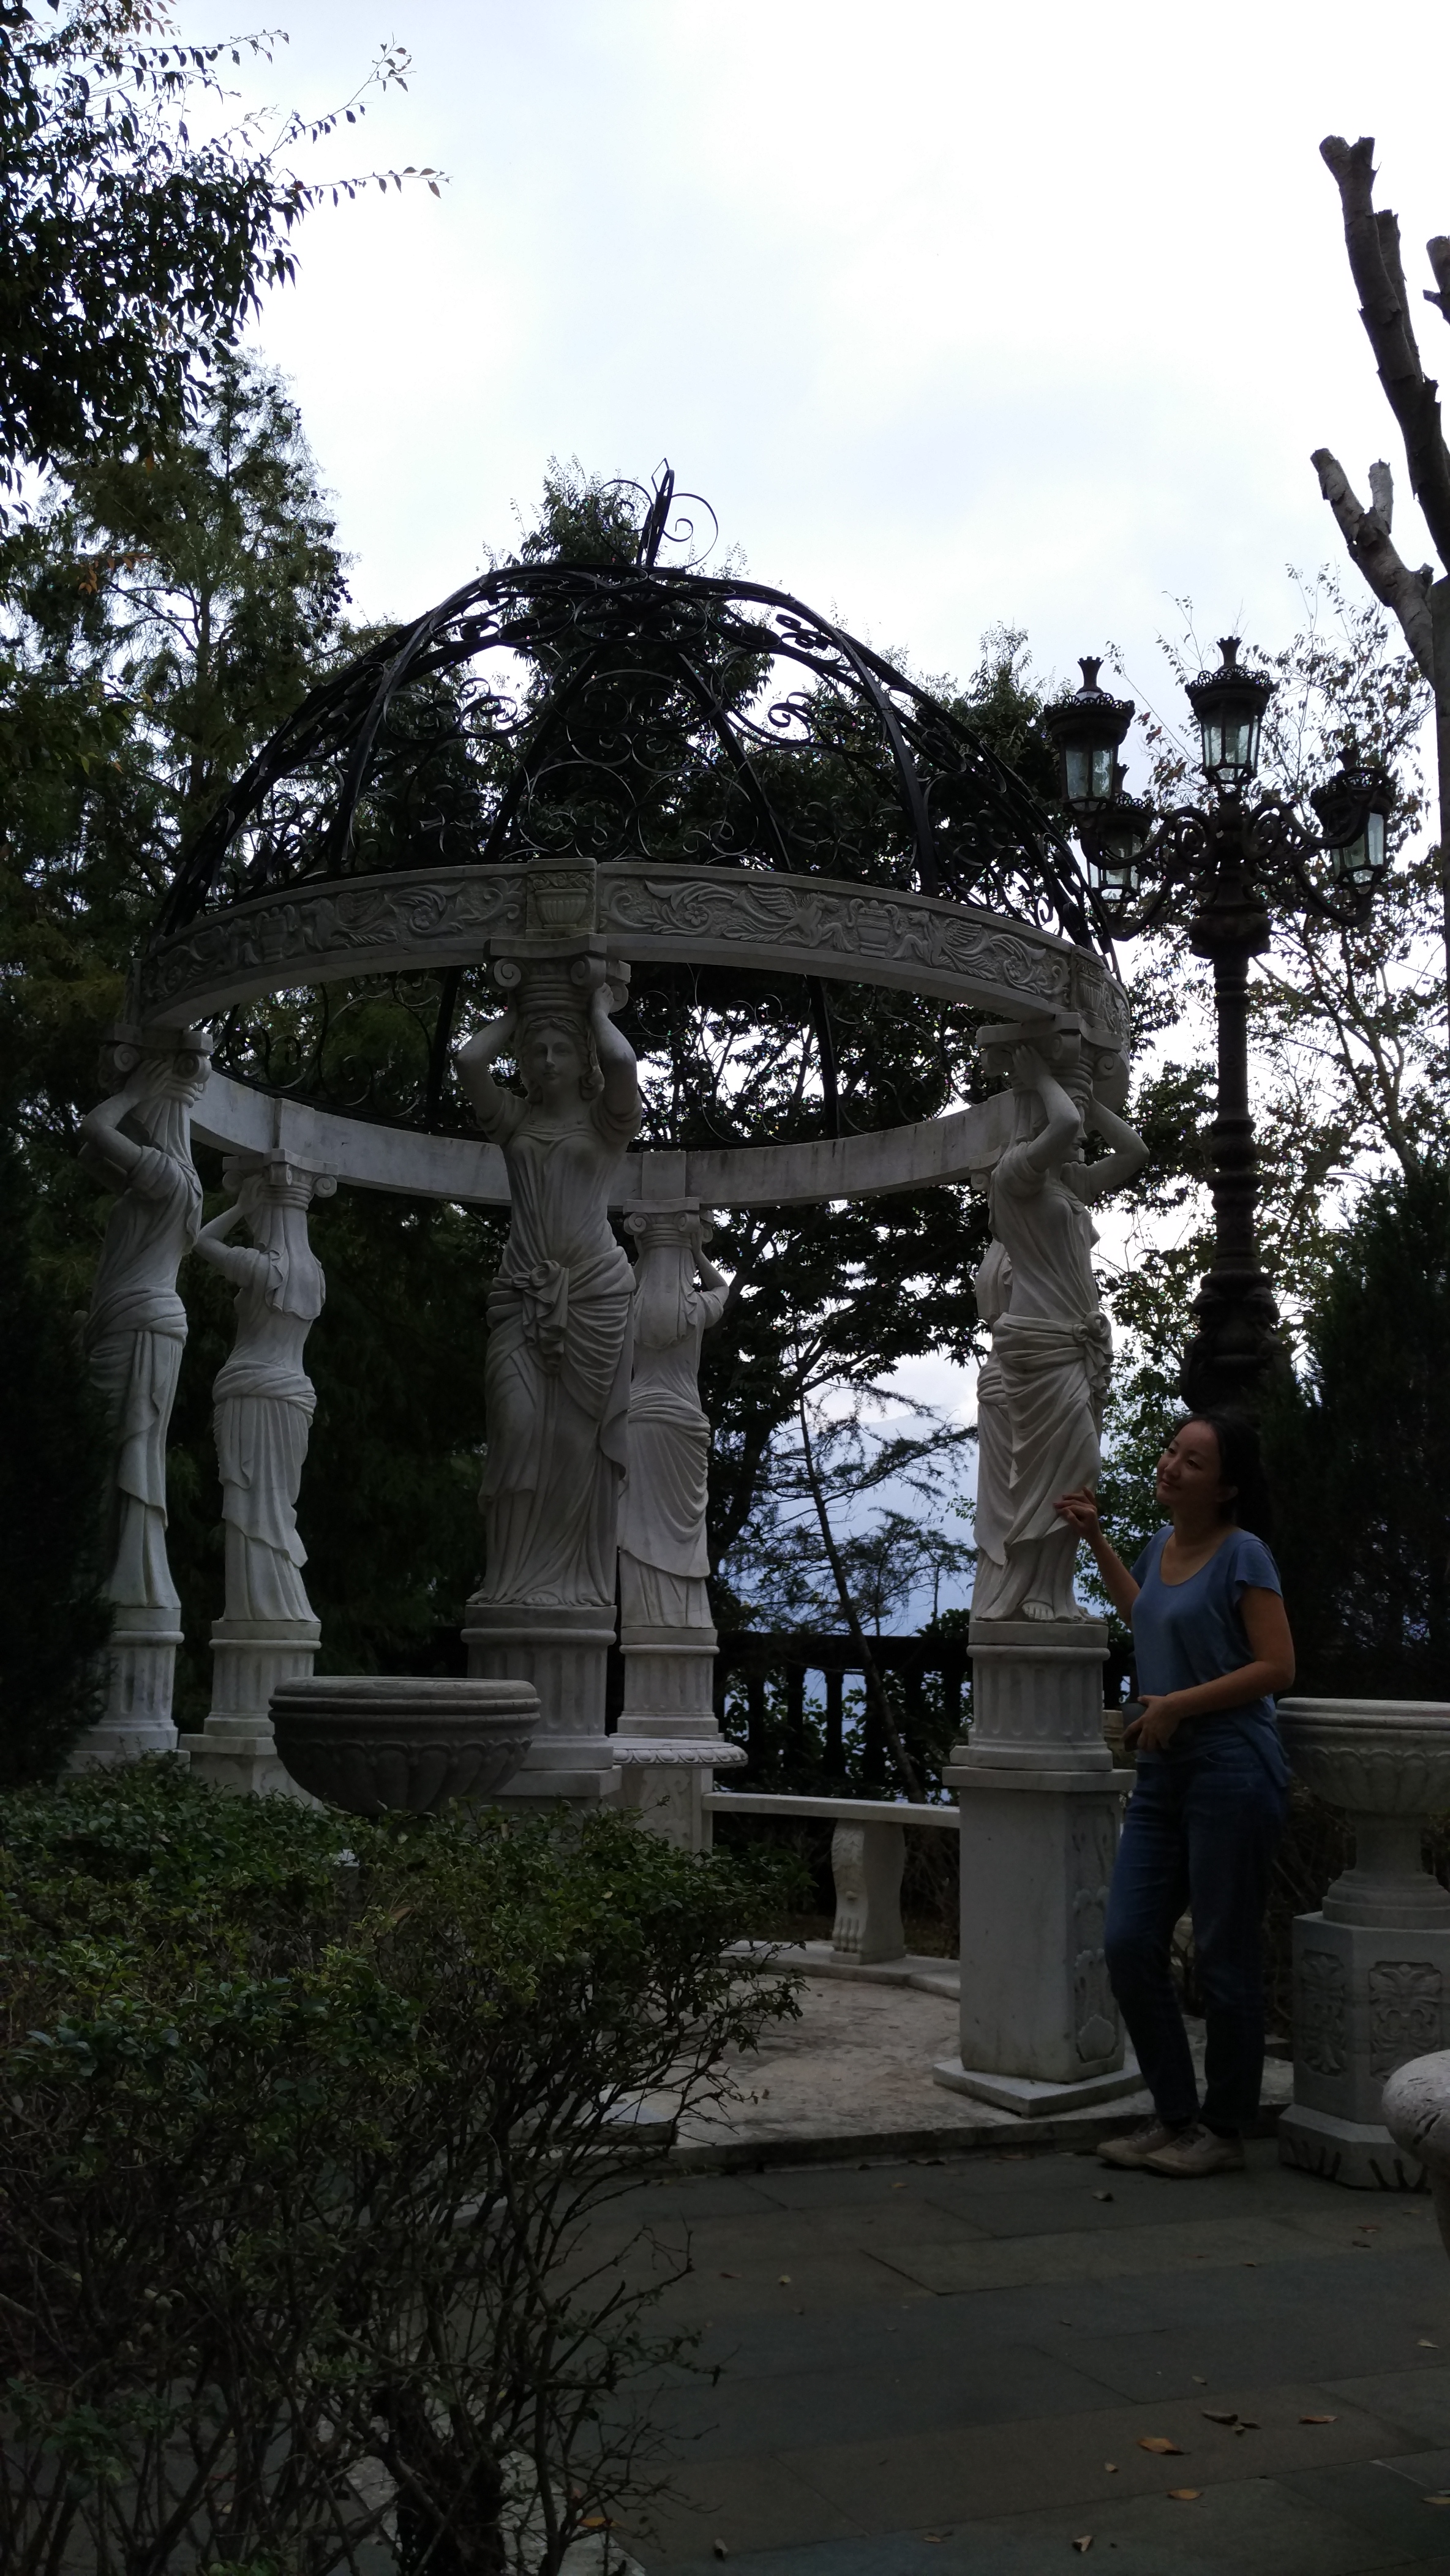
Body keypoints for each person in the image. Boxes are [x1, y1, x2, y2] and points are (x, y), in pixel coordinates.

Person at [1055, 1412, 1295, 2177]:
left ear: (1224, 1486)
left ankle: (1222, 2129)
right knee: (1128, 1943)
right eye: (1170, 1451)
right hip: (1162, 1771)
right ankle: (1173, 2114)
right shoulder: (1163, 1543)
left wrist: (1177, 1705)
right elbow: (1145, 1612)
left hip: (1231, 1768)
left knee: (1224, 1956)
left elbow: (1277, 1666)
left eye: (1192, 1461)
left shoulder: (1243, 1553)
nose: (1170, 1465)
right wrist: (1096, 1539)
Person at [457, 972, 641, 1607]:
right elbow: (468, 1061)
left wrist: (596, 1011)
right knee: (514, 1429)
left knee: (576, 1444)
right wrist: (518, 1012)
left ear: (584, 1057)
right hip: (520, 1294)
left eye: (562, 1049)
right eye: (537, 1051)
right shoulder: (514, 1120)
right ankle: (509, 1581)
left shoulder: (608, 1121)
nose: (548, 1060)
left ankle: (573, 1587)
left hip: (596, 1295)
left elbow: (623, 1063)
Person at [972, 1044, 1146, 1621]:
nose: (1079, 1138)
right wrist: (1043, 1078)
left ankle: (1052, 1589)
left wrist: (1090, 1103)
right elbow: (1066, 1123)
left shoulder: (1070, 1187)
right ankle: (1024, 1585)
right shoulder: (1014, 1177)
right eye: (1062, 1116)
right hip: (1040, 1345)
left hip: (1075, 1344)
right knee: (1051, 1471)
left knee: (1079, 1468)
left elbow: (1135, 1151)